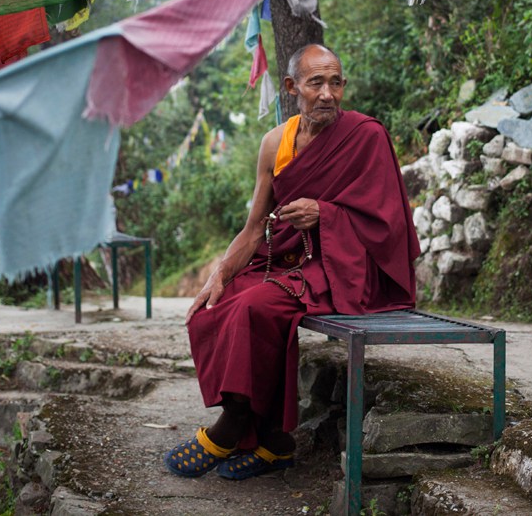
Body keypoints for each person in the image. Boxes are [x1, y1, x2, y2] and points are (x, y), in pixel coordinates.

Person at [164, 44, 420, 481]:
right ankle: (273, 440)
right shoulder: (274, 143)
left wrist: (328, 214)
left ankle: (230, 429)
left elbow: (391, 221)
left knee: (256, 307)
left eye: (335, 82)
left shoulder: (366, 136)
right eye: (315, 82)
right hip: (284, 259)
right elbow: (253, 227)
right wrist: (220, 273)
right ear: (291, 87)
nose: (327, 94)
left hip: (342, 265)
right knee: (215, 310)